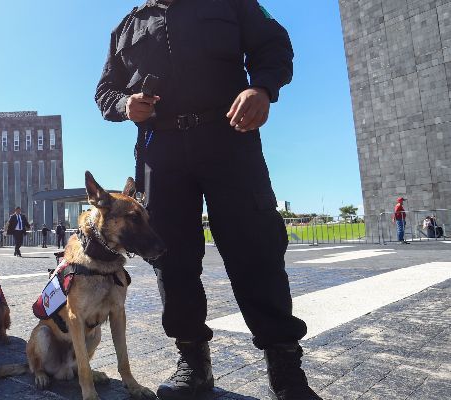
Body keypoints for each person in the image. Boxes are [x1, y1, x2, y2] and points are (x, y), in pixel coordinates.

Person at [95, 2, 320, 399]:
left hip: (229, 135)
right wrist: (124, 105)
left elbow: (274, 45)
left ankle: (286, 369)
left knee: (255, 247)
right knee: (171, 256)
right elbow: (104, 92)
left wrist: (262, 87)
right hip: (159, 150)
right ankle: (193, 363)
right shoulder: (125, 28)